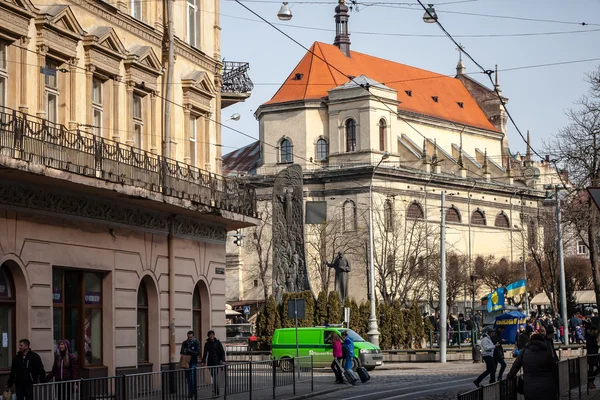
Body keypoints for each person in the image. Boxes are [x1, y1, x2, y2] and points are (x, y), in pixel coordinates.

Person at [507, 333, 558, 399]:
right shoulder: (547, 353)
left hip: (529, 386)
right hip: (547, 386)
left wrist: (510, 376)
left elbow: (515, 367)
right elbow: (554, 370)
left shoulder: (524, 352)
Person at [200, 330, 226, 397]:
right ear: (208, 336)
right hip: (210, 362)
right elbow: (205, 353)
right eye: (210, 335)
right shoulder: (207, 344)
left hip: (217, 362)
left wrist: (223, 360)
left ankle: (215, 392)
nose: (211, 336)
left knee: (214, 377)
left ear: (214, 335)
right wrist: (203, 361)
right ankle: (215, 391)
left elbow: (222, 352)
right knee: (214, 377)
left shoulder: (218, 342)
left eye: (212, 335)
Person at [180, 331, 201, 399]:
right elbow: (181, 351)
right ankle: (193, 391)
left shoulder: (196, 342)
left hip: (193, 362)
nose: (190, 339)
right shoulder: (185, 342)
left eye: (191, 337)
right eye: (189, 337)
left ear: (193, 336)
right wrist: (185, 351)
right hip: (186, 362)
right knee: (188, 378)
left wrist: (190, 351)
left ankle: (191, 393)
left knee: (192, 378)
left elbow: (198, 353)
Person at [586, 325, 599, 390]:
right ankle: (590, 382)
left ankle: (591, 381)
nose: (597, 332)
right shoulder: (590, 337)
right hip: (592, 355)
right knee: (592, 369)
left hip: (594, 355)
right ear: (593, 330)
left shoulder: (593, 336)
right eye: (596, 330)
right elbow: (591, 346)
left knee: (594, 369)